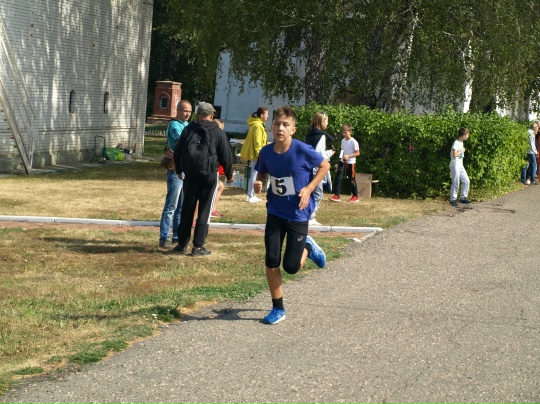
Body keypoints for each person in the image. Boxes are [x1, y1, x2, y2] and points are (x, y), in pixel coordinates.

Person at [253, 106, 330, 325]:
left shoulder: (302, 150)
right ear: (271, 126)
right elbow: (262, 172)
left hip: (298, 213)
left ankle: (308, 247)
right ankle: (278, 308)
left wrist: (308, 189)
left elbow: (325, 165)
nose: (280, 128)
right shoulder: (266, 152)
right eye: (277, 124)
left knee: (291, 267)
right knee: (271, 260)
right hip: (275, 210)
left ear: (293, 130)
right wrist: (259, 182)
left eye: (286, 125)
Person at [171, 102, 234, 256]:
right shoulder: (218, 132)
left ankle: (182, 244)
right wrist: (229, 174)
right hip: (209, 176)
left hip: (190, 175)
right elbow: (226, 155)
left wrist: (178, 170)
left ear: (198, 114)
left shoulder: (188, 129)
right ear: (212, 115)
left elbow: (178, 151)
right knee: (205, 211)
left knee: (187, 209)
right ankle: (198, 247)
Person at [158, 100, 192, 249]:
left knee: (181, 206)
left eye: (190, 111)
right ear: (178, 110)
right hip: (175, 169)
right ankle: (164, 238)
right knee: (171, 206)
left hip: (185, 169)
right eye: (185, 111)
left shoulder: (186, 125)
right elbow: (181, 144)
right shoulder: (174, 125)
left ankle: (177, 237)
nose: (188, 114)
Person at [304, 111, 335, 225]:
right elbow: (318, 154)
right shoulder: (322, 136)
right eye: (326, 121)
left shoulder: (310, 134)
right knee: (318, 193)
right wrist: (330, 153)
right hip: (316, 168)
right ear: (321, 122)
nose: (327, 123)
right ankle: (310, 217)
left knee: (310, 192)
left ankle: (306, 215)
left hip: (307, 166)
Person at [240, 107, 269, 203]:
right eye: (266, 114)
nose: (268, 116)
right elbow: (257, 142)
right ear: (262, 115)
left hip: (256, 153)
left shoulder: (257, 124)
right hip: (256, 154)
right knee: (255, 174)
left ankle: (250, 194)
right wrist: (260, 155)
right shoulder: (258, 126)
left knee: (254, 173)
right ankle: (250, 195)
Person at [328, 124, 360, 203]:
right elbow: (342, 151)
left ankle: (355, 196)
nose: (344, 134)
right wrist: (340, 159)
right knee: (338, 177)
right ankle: (336, 195)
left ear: (350, 132)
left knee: (351, 179)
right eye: (343, 132)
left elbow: (357, 153)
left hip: (351, 163)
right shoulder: (343, 141)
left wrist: (348, 156)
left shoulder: (353, 142)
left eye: (345, 132)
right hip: (342, 161)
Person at [449, 127, 471, 206]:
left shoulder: (461, 142)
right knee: (456, 182)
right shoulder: (456, 143)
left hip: (460, 165)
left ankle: (463, 198)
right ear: (463, 135)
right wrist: (462, 150)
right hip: (455, 165)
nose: (468, 136)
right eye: (467, 135)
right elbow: (454, 155)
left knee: (466, 180)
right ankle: (453, 200)